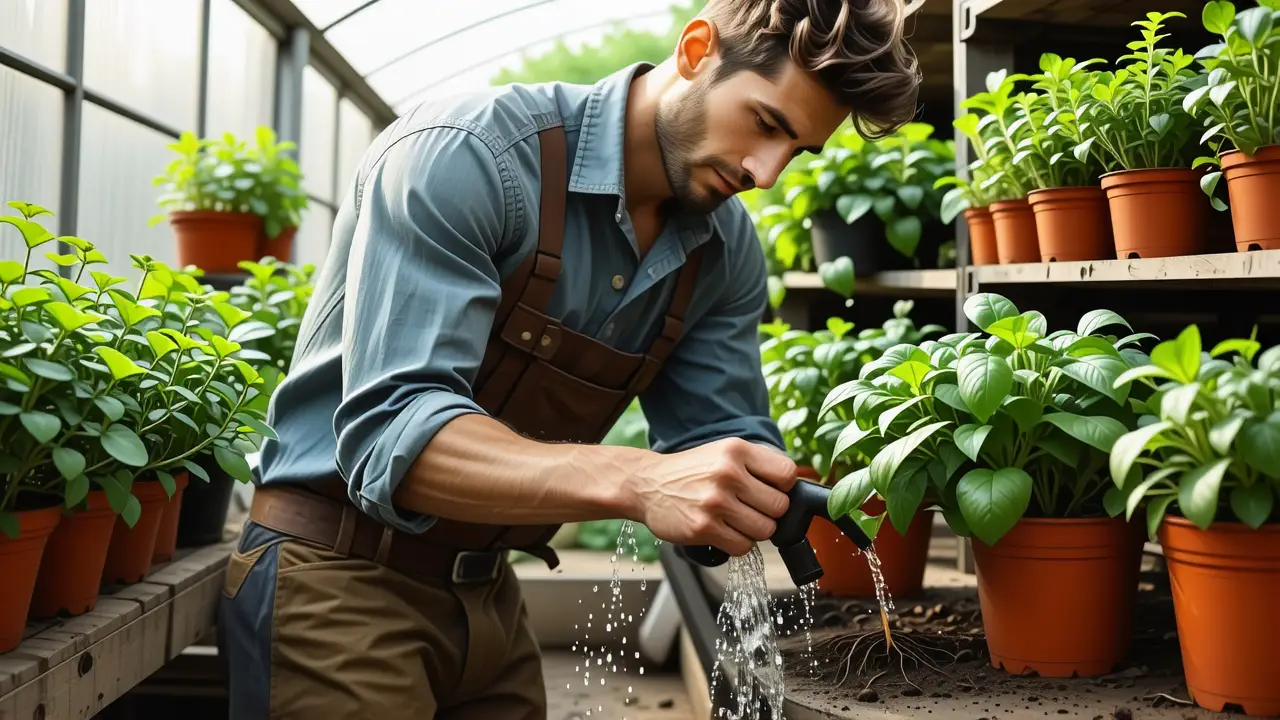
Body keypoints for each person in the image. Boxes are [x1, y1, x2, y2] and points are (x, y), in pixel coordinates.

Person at [219, 0, 919, 717]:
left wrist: (755, 496)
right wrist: (641, 480)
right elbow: (394, 436)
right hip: (335, 577)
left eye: (798, 150)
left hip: (490, 595)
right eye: (766, 123)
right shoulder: (468, 156)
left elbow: (720, 434)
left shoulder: (723, 249)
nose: (766, 173)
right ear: (696, 50)